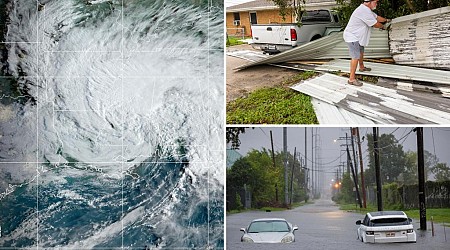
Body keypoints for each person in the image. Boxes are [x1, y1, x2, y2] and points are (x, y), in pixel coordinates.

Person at [343, 0, 390, 86]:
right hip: (352, 37)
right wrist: (384, 26)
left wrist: (387, 20)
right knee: (355, 56)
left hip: (358, 36)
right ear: (369, 2)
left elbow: (377, 18)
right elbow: (375, 24)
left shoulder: (367, 10)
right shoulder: (363, 11)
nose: (376, 4)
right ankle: (351, 79)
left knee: (361, 52)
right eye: (375, 2)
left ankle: (361, 67)